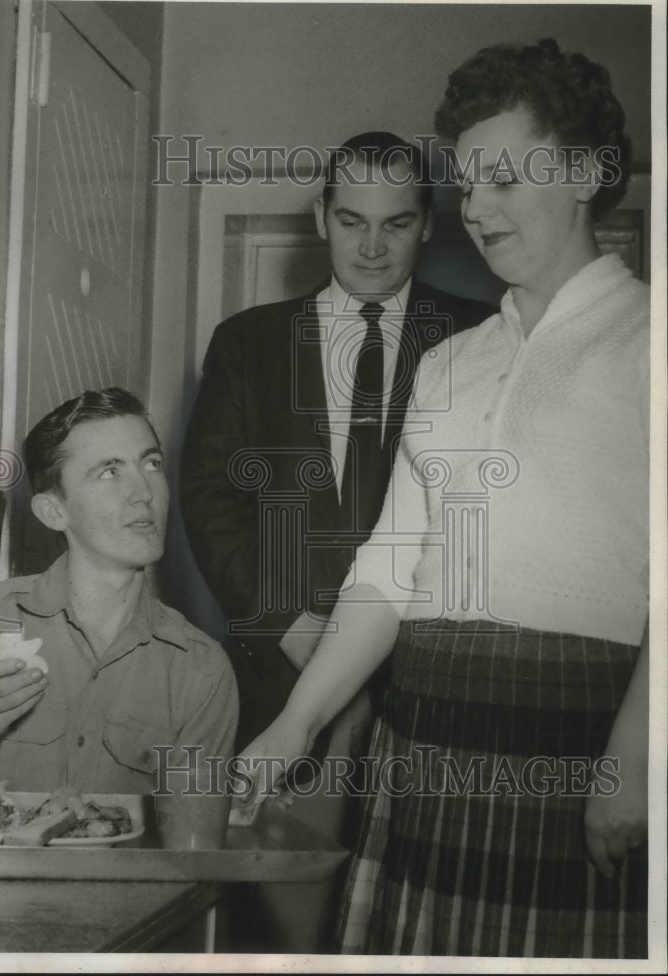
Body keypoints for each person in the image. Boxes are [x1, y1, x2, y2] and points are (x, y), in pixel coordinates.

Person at [241, 39, 649, 958]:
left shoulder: (649, 337)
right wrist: (296, 722)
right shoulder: (449, 360)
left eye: (503, 179)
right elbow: (389, 568)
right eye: (468, 185)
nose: (478, 209)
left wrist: (635, 756)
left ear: (586, 173)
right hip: (422, 733)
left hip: (581, 736)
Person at [181, 130, 495, 756]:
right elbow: (210, 498)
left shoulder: (481, 336)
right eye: (352, 222)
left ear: (428, 224)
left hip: (431, 681)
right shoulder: (246, 342)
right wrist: (286, 624)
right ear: (320, 216)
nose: (373, 248)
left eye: (396, 224)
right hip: (277, 675)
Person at [0, 387, 238, 794]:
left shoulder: (201, 669)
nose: (144, 491)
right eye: (110, 471)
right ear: (53, 511)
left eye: (152, 463)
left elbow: (194, 830)